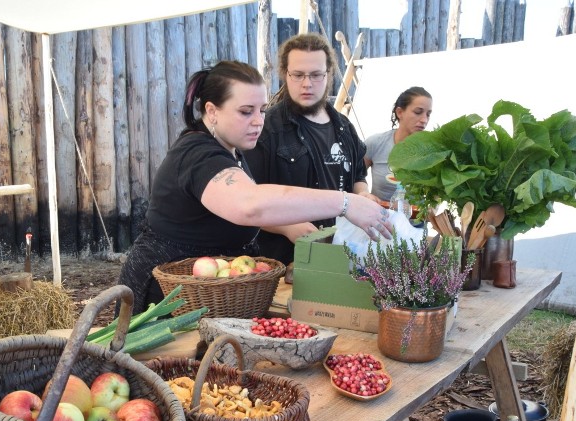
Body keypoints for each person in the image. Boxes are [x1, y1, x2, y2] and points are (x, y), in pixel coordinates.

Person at [117, 60, 392, 314]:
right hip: (164, 300)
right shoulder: (198, 154)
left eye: (261, 110)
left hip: (209, 292)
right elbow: (250, 204)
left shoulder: (230, 150)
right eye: (246, 112)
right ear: (211, 111)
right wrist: (345, 203)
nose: (259, 121)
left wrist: (287, 225)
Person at [244, 33, 378, 266]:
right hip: (283, 262)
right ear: (285, 74)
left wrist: (363, 195)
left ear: (328, 75)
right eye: (298, 75)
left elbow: (357, 175)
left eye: (316, 75)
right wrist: (287, 227)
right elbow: (244, 202)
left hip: (339, 255)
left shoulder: (344, 127)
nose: (307, 83)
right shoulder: (266, 129)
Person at [364, 86, 433, 202]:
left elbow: (438, 192)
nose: (424, 120)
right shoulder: (376, 143)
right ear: (400, 112)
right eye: (418, 112)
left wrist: (433, 208)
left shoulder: (433, 152)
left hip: (414, 219)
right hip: (378, 217)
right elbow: (354, 177)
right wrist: (365, 194)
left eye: (428, 114)